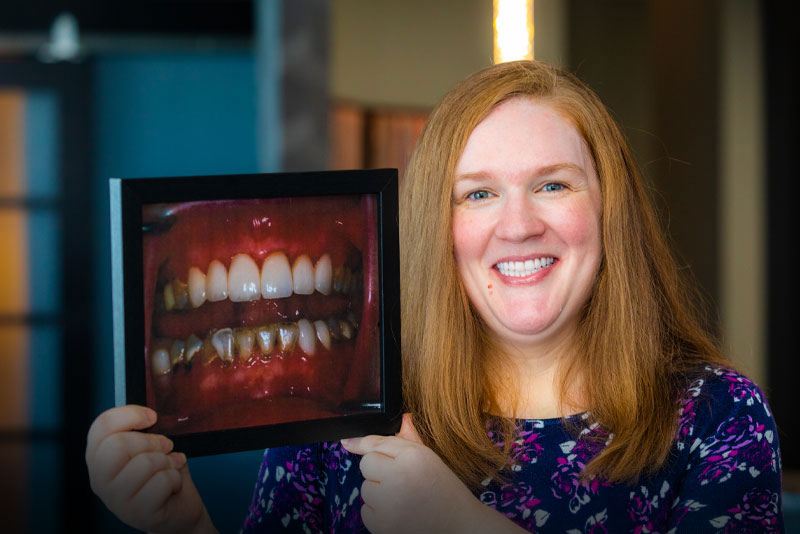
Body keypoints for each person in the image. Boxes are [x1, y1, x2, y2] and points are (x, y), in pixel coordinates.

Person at [86, 60, 784, 533]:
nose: (518, 224)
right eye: (477, 193)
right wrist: (184, 525)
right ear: (438, 229)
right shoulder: (344, 415)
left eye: (553, 184)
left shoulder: (718, 419)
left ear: (610, 211)